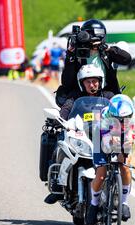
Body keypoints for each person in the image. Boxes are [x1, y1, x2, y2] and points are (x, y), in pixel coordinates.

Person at [44, 64, 114, 205]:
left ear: (101, 81)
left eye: (95, 81)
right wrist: (59, 121)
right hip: (80, 134)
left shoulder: (108, 96)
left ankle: (114, 189)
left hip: (101, 137)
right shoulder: (75, 97)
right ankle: (58, 185)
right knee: (60, 146)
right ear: (82, 83)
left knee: (116, 160)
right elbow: (66, 109)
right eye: (88, 82)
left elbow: (117, 111)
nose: (92, 85)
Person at [85, 94, 135, 225]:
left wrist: (126, 147)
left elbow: (130, 137)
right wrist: (111, 142)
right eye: (120, 119)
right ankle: (94, 204)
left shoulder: (132, 118)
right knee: (101, 174)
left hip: (122, 137)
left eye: (127, 118)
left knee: (124, 166)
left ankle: (124, 203)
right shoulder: (104, 117)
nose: (124, 121)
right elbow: (106, 143)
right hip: (102, 137)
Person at [60, 19, 132, 95]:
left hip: (106, 94)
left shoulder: (106, 52)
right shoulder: (78, 54)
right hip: (81, 97)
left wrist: (108, 48)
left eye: (97, 42)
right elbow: (66, 82)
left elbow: (127, 59)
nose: (94, 45)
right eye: (91, 42)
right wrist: (70, 56)